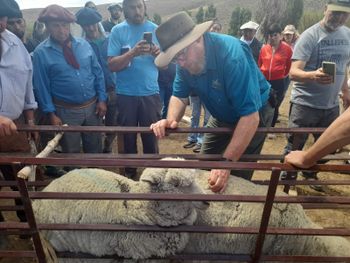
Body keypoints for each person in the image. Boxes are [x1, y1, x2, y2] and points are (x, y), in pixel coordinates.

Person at [150, 12, 274, 193]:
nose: (180, 63)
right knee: (204, 165)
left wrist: (226, 163)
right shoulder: (184, 62)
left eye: (181, 54)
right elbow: (179, 95)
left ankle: (232, 212)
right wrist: (170, 119)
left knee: (234, 176)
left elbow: (250, 117)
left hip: (254, 112)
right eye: (175, 58)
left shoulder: (232, 56)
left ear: (198, 39)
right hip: (222, 113)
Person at [281, 0, 350, 186]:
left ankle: (310, 174)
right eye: (335, 13)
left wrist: (345, 90)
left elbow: (344, 66)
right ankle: (287, 180)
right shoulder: (310, 35)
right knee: (295, 146)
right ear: (325, 9)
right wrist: (313, 75)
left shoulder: (348, 35)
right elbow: (293, 72)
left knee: (328, 147)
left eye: (344, 14)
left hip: (331, 105)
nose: (339, 18)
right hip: (305, 105)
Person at [33, 5, 107, 158]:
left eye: (65, 25)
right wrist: (51, 114)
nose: (62, 30)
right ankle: (73, 179)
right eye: (56, 26)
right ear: (47, 27)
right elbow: (42, 86)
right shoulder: (41, 53)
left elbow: (97, 72)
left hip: (93, 108)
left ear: (70, 26)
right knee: (70, 153)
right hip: (65, 112)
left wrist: (102, 99)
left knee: (95, 149)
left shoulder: (84, 45)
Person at [108, 0, 161, 178]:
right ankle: (129, 175)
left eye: (140, 6)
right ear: (124, 10)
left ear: (145, 7)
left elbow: (166, 65)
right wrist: (132, 53)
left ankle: (152, 175)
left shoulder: (156, 29)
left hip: (150, 94)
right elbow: (112, 65)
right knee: (127, 138)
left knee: (151, 138)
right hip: (126, 95)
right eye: (132, 7)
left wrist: (158, 55)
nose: (137, 11)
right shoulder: (117, 31)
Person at [0, 0, 38, 224]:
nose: (3, 23)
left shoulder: (15, 44)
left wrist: (30, 119)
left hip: (14, 125)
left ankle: (26, 222)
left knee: (20, 176)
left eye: (5, 18)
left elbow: (27, 81)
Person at [76, 7, 118, 153]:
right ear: (82, 26)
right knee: (96, 122)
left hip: (114, 88)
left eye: (93, 23)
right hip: (94, 92)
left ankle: (108, 144)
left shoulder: (111, 39)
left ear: (98, 22)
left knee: (113, 121)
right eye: (86, 25)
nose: (90, 27)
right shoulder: (81, 46)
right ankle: (97, 150)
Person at [285, 107, 350, 168]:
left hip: (330, 106)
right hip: (306, 103)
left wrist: (306, 159)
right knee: (294, 145)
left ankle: (309, 173)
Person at [258, 23, 292, 131]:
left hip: (278, 81)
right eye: (270, 35)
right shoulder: (264, 49)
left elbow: (289, 66)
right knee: (262, 102)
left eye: (275, 35)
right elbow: (260, 63)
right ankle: (260, 125)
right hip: (264, 81)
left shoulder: (287, 49)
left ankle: (271, 128)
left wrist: (281, 74)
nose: (272, 37)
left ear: (280, 35)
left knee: (274, 104)